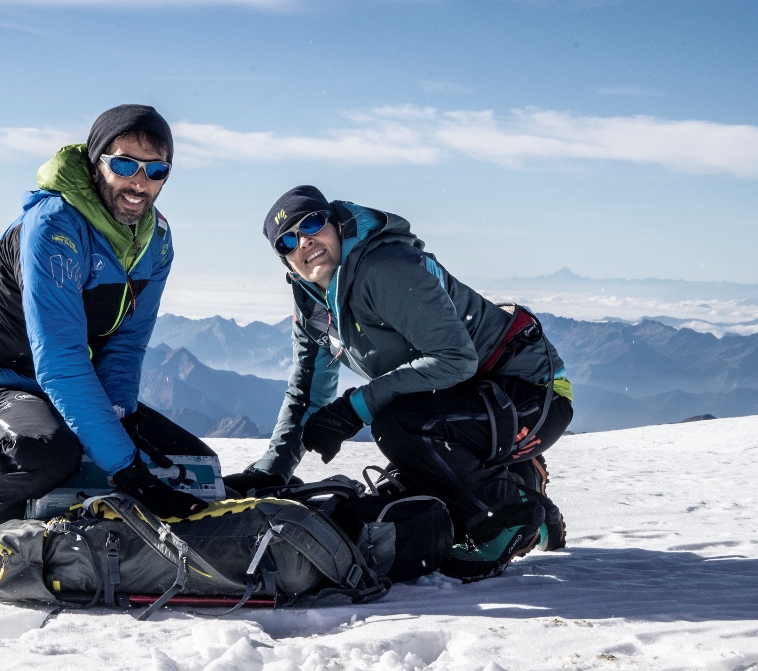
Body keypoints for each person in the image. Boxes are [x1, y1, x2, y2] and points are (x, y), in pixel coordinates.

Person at [0, 105, 211, 592]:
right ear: (95, 164)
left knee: (194, 467)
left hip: (69, 386)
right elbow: (62, 360)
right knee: (45, 451)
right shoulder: (54, 226)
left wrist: (116, 416)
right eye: (125, 164)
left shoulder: (158, 240)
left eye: (156, 171)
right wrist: (127, 468)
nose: (140, 183)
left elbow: (127, 343)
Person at [223, 186, 574, 582]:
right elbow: (306, 394)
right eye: (288, 241)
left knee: (397, 426)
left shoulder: (384, 266)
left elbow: (456, 359)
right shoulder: (315, 308)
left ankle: (510, 516)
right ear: (287, 262)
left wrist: (356, 407)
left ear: (337, 224)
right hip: (471, 407)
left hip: (532, 392)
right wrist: (272, 473)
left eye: (312, 224)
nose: (304, 241)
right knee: (415, 502)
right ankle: (522, 483)